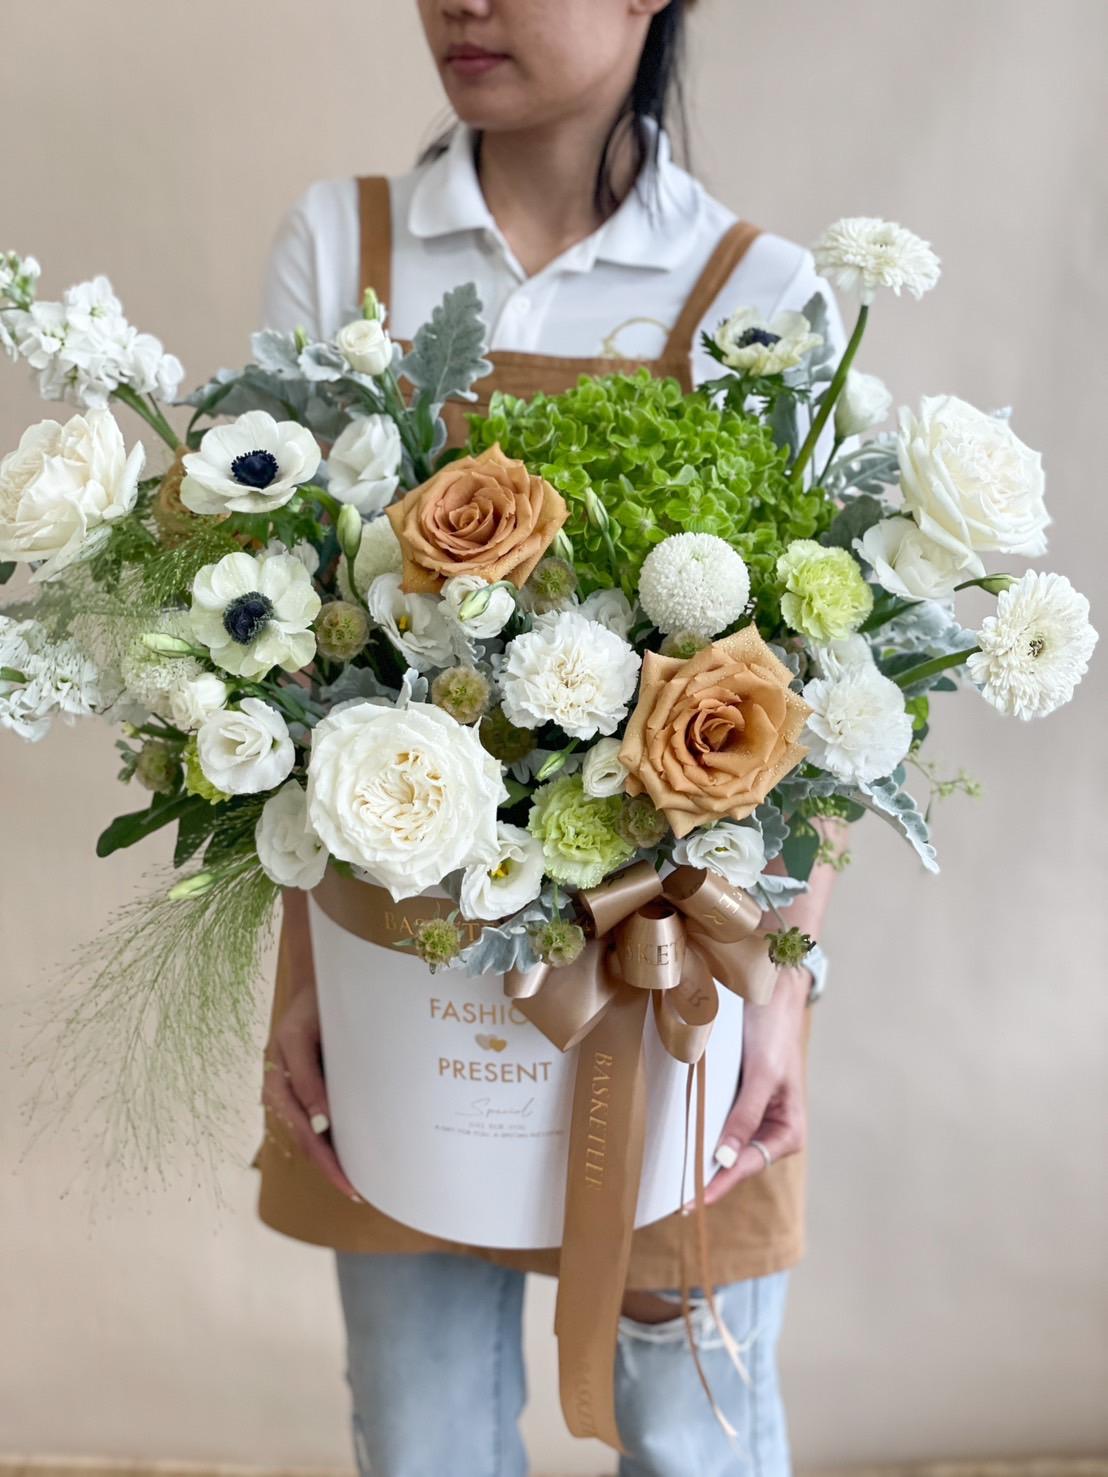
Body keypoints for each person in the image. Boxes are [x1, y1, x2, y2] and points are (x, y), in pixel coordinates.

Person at [257, 3, 843, 1474]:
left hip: (669, 987)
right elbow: (279, 650)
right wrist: (302, 978)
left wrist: (781, 994)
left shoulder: (759, 292)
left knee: (694, 1433)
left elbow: (826, 698)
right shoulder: (346, 246)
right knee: (424, 1436)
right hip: (398, 966)